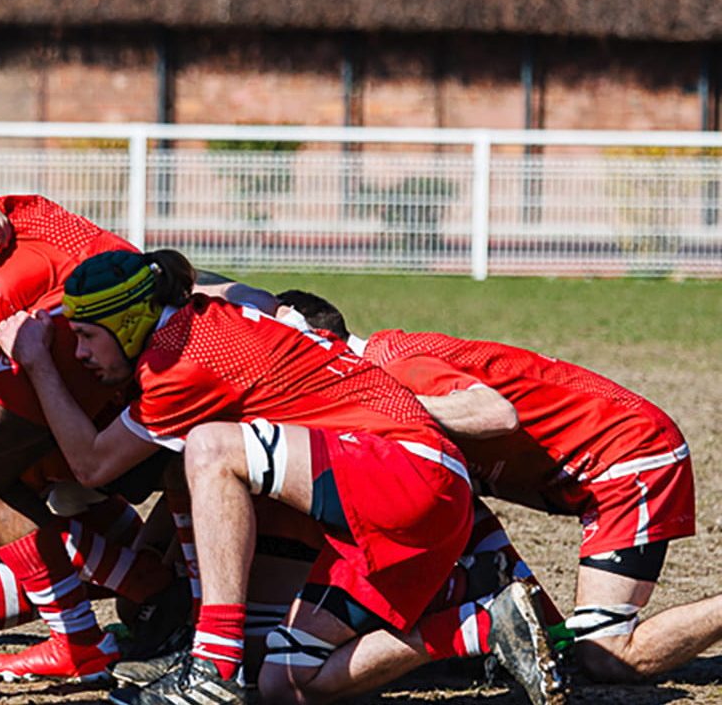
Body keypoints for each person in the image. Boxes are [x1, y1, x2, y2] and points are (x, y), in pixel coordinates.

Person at [0, 251, 550, 705]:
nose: (80, 351)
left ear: (130, 322)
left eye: (87, 336)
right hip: (418, 500)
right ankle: (479, 622)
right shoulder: (200, 323)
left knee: (210, 448)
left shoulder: (180, 361)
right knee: (286, 685)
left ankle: (212, 662)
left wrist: (38, 363)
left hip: (405, 473)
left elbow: (92, 465)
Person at [278, 291, 711, 686]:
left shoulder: (393, 364)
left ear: (317, 342)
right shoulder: (379, 371)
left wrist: (378, 404)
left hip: (630, 456)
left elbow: (495, 414)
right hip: (588, 468)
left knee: (607, 656)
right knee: (438, 502)